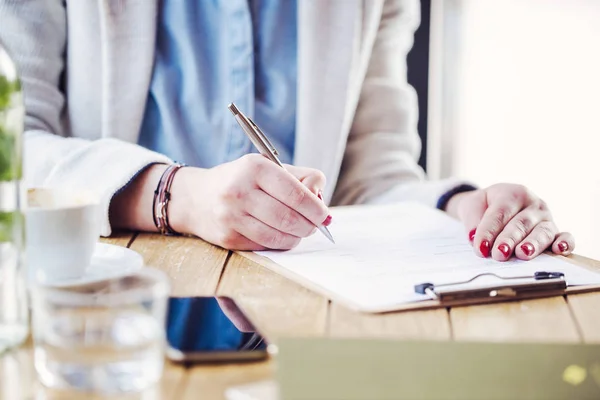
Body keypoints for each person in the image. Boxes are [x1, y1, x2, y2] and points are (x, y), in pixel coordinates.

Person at [0, 0, 573, 262]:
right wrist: (177, 196)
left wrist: (458, 208)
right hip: (103, 311)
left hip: (296, 329)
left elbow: (370, 179)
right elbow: (13, 146)